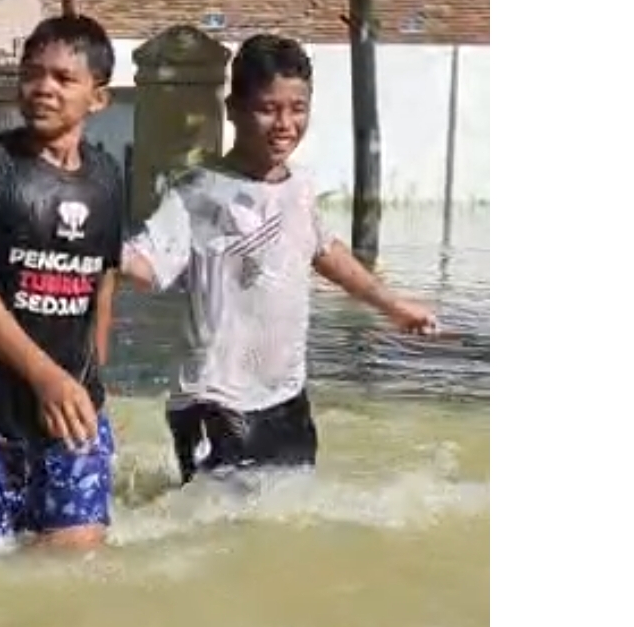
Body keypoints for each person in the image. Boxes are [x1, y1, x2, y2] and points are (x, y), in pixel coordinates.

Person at [120, 34, 439, 486]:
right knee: (210, 521)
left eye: (298, 109)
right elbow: (145, 265)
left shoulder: (299, 188)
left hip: (286, 395)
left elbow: (324, 250)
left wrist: (393, 306)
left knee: (288, 515)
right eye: (268, 109)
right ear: (234, 109)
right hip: (215, 401)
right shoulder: (198, 192)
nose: (285, 124)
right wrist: (90, 247)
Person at [0, 14, 125, 553]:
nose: (43, 87)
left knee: (79, 545)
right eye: (33, 73)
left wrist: (88, 383)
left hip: (70, 405)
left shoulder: (108, 177)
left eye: (63, 78)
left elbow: (103, 281)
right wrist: (45, 377)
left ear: (98, 98)